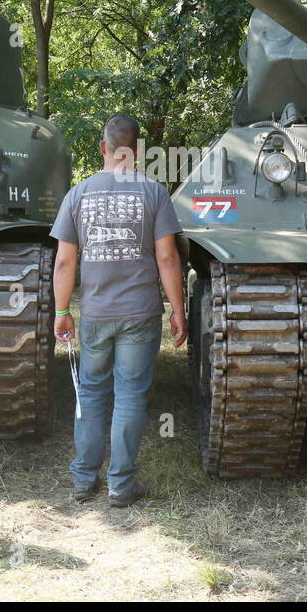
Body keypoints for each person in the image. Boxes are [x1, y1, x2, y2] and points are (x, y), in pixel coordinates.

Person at [51, 115, 186, 508]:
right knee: (129, 396)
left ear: (102, 148)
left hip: (95, 312)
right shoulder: (154, 193)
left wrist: (62, 310)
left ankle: (82, 479)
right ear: (137, 151)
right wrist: (177, 311)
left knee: (91, 393)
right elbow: (168, 258)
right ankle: (120, 486)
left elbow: (64, 264)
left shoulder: (77, 195)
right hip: (141, 314)